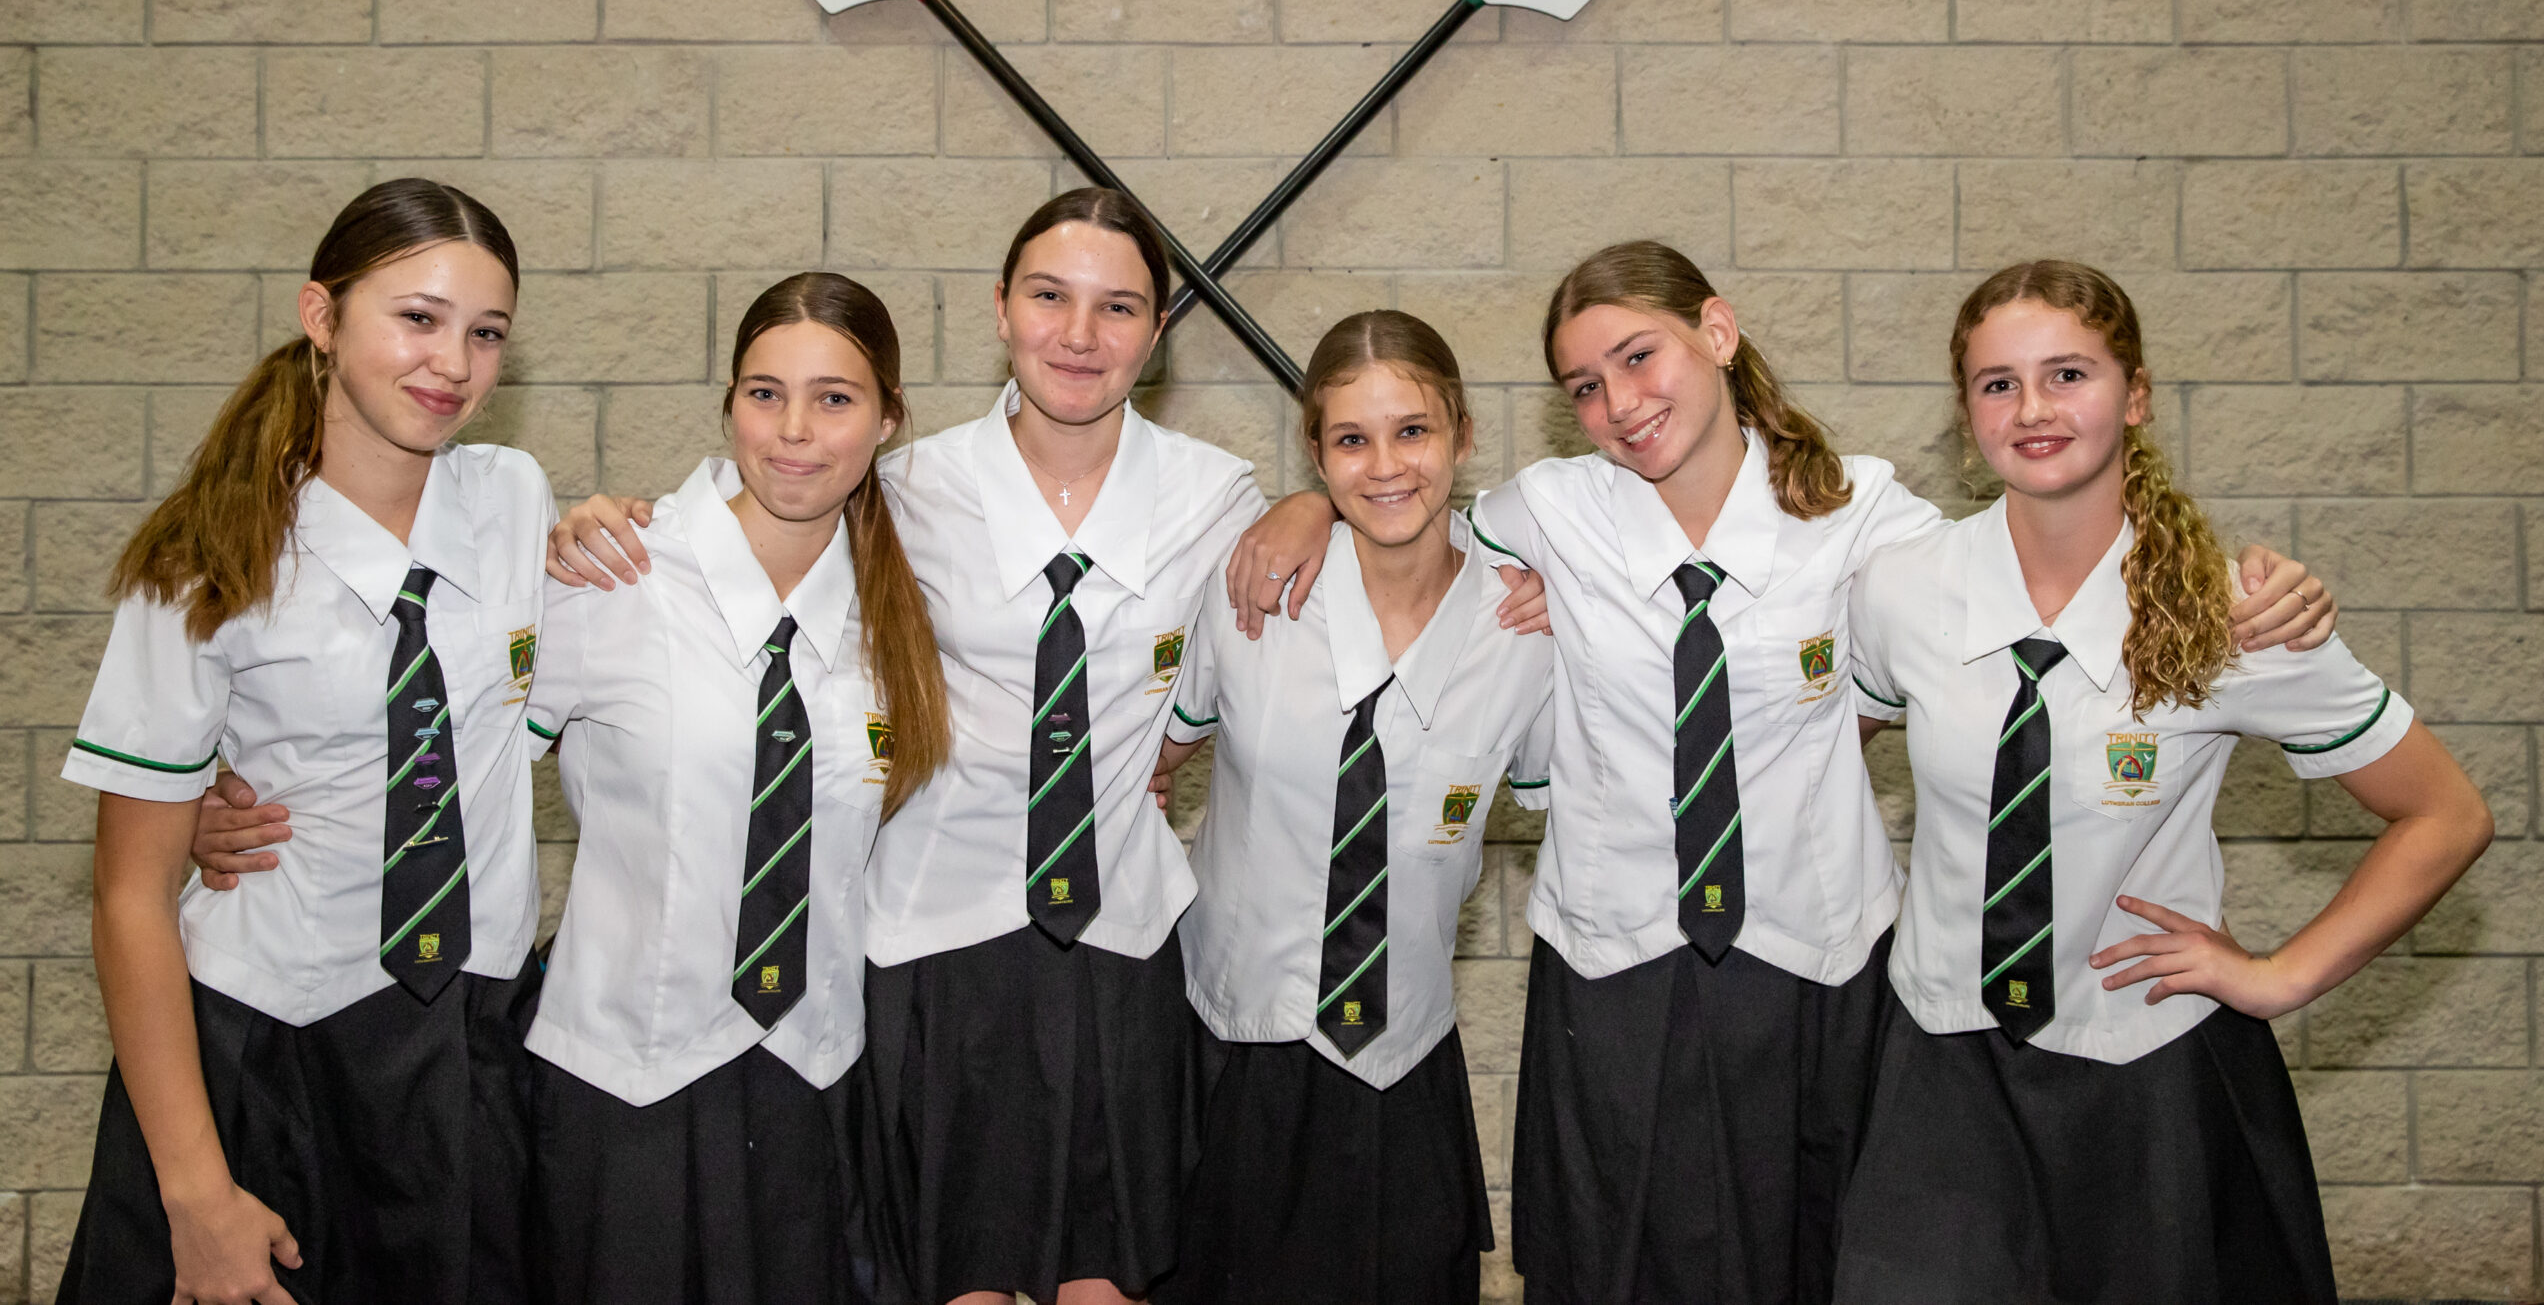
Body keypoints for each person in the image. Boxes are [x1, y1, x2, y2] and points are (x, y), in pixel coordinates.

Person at [1223, 240, 2338, 1305]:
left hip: (1815, 967)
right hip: (1616, 965)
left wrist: (2243, 583)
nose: (1620, 402)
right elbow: (1407, 507)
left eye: (1639, 357)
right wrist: (1305, 504)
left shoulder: (1861, 514)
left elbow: (2021, 561)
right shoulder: (1552, 512)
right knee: (1616, 1268)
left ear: (1717, 332)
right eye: (1586, 387)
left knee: (1822, 1260)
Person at [539, 191, 1492, 1305]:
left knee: (1111, 1287)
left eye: (1117, 306)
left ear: (1159, 327)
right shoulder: (900, 492)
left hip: (1123, 946)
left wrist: (1308, 504)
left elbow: (1384, 520)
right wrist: (610, 522)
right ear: (1000, 309)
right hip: (941, 945)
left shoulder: (1215, 497)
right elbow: (754, 538)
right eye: (1049, 296)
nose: (1079, 334)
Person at [1831, 259, 2491, 1305]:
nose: (2033, 407)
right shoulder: (1899, 590)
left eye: (2068, 374)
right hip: (1940, 1063)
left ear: (2134, 395)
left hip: (2147, 1070)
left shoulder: (2233, 617)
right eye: (1998, 383)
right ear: (1966, 414)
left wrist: (2280, 976)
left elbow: (2445, 814)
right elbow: (1809, 743)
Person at [59, 180, 550, 1305]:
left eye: (486, 334)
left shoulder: (515, 497)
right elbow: (129, 898)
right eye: (417, 318)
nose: (453, 364)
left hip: (469, 1054)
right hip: (266, 1059)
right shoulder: (207, 560)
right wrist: (197, 1195)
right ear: (321, 316)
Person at [517, 272, 947, 1303]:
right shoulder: (613, 575)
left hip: (814, 1087)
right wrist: (221, 812)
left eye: (834, 398)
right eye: (765, 393)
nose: (794, 430)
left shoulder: (904, 615)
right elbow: (456, 769)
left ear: (888, 419)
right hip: (625, 1087)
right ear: (729, 404)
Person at [1154, 311, 1553, 1305]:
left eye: (1412, 431)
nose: (1385, 467)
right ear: (1317, 454)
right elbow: (1146, 765)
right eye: (1350, 440)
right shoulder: (1248, 593)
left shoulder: (1527, 632)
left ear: (1463, 434)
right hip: (1231, 1050)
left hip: (1401, 1059)